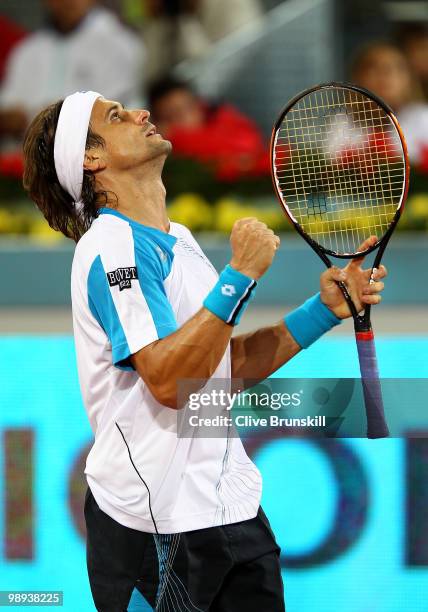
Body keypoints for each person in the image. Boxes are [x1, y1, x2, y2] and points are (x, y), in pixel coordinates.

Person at [22, 91, 387, 611]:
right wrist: (239, 275)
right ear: (91, 158)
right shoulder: (110, 248)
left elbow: (217, 369)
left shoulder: (180, 238)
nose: (141, 113)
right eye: (116, 116)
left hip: (232, 511)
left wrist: (321, 311)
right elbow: (171, 382)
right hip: (152, 528)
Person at [0, 0, 144, 140]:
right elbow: (9, 109)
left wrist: (45, 118)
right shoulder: (27, 50)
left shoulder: (119, 44)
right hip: (29, 154)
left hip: (97, 154)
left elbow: (114, 113)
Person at [148, 77, 269, 180]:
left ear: (198, 105)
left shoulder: (225, 118)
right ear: (159, 121)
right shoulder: (156, 150)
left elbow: (250, 149)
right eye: (172, 114)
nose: (185, 119)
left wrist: (178, 137)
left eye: (187, 108)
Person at [350, 41, 428, 167]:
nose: (384, 75)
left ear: (409, 78)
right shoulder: (340, 124)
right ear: (358, 77)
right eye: (373, 68)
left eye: (396, 68)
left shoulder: (424, 118)